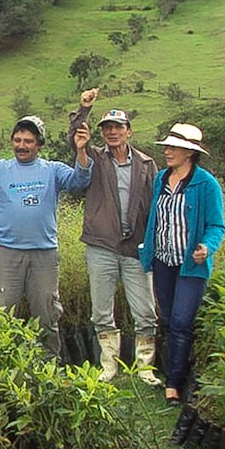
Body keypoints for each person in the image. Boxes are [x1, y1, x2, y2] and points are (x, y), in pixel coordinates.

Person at [0, 106, 92, 356]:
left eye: (28, 141)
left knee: (47, 314)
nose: (22, 145)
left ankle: (49, 368)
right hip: (6, 253)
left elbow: (79, 182)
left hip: (44, 255)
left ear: (39, 143)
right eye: (17, 140)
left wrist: (81, 150)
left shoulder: (53, 170)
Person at [68, 88, 162, 383]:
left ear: (128, 132)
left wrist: (153, 243)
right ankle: (109, 366)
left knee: (146, 310)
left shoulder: (147, 165)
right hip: (102, 245)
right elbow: (74, 135)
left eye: (117, 127)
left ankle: (145, 367)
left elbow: (155, 205)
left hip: (136, 246)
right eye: (107, 128)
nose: (111, 132)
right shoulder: (94, 158)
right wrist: (84, 109)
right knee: (101, 310)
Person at [139, 123, 225, 405]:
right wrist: (148, 250)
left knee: (181, 321)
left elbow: (216, 225)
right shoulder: (161, 179)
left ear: (189, 153)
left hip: (190, 265)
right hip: (164, 261)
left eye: (173, 147)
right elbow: (155, 219)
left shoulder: (206, 184)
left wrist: (207, 247)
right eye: (166, 146)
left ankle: (174, 383)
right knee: (166, 319)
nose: (167, 151)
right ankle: (173, 369)